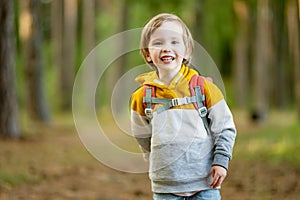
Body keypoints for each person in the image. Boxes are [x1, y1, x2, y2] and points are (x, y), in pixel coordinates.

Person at [130, 13, 236, 200]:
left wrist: (221, 161)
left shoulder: (204, 89)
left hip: (205, 183)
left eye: (174, 42)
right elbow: (141, 133)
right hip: (165, 186)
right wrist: (152, 155)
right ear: (147, 53)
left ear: (187, 51)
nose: (166, 48)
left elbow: (225, 127)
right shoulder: (142, 97)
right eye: (158, 43)